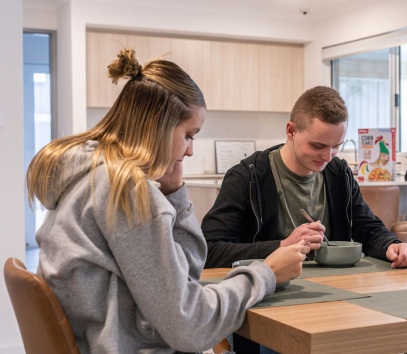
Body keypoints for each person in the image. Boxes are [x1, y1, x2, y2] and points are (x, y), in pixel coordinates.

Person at [26, 48, 310, 354]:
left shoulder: (91, 178)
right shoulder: (126, 193)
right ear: (158, 127)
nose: (189, 150)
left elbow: (185, 276)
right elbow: (191, 327)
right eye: (189, 135)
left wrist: (174, 193)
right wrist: (266, 273)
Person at [202, 86, 407, 269]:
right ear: (291, 131)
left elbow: (368, 228)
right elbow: (209, 250)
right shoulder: (247, 177)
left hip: (337, 288)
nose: (327, 157)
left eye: (336, 146)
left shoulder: (338, 173)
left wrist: (392, 245)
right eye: (317, 146)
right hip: (271, 291)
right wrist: (282, 246)